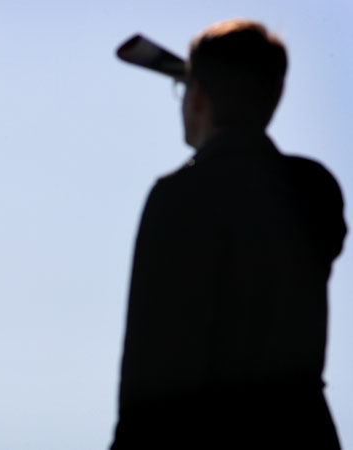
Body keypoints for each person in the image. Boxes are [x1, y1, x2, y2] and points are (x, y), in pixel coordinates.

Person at [111, 20, 346, 449]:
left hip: (210, 431)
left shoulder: (180, 195)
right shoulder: (314, 189)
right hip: (302, 432)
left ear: (198, 97)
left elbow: (151, 357)